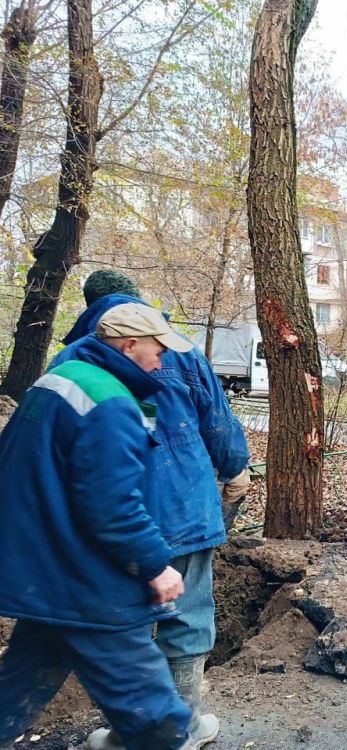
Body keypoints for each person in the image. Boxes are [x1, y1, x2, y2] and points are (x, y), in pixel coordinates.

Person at [53, 270, 251, 750]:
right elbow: (218, 424)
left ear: (90, 306)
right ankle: (179, 732)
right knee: (186, 618)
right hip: (184, 508)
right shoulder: (181, 350)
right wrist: (236, 471)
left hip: (105, 518)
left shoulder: (70, 360)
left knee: (123, 624)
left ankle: (131, 735)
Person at [0, 303, 198, 750]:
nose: (162, 361)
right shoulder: (110, 403)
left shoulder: (64, 380)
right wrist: (155, 565)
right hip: (83, 580)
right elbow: (112, 505)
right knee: (153, 712)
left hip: (42, 569)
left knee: (23, 682)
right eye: (157, 349)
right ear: (129, 346)